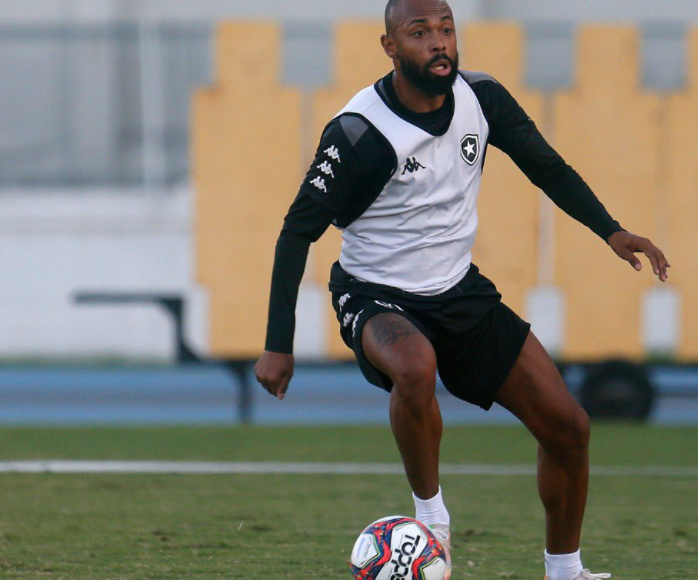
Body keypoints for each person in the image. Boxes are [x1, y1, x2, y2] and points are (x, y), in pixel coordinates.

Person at [255, 1, 670, 578]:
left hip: (459, 291)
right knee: (414, 365)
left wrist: (612, 231)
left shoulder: (483, 98)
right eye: (420, 32)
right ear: (390, 46)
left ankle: (566, 569)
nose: (438, 43)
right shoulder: (359, 133)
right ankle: (431, 520)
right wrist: (279, 343)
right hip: (377, 293)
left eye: (446, 29)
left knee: (570, 429)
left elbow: (545, 166)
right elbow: (296, 232)